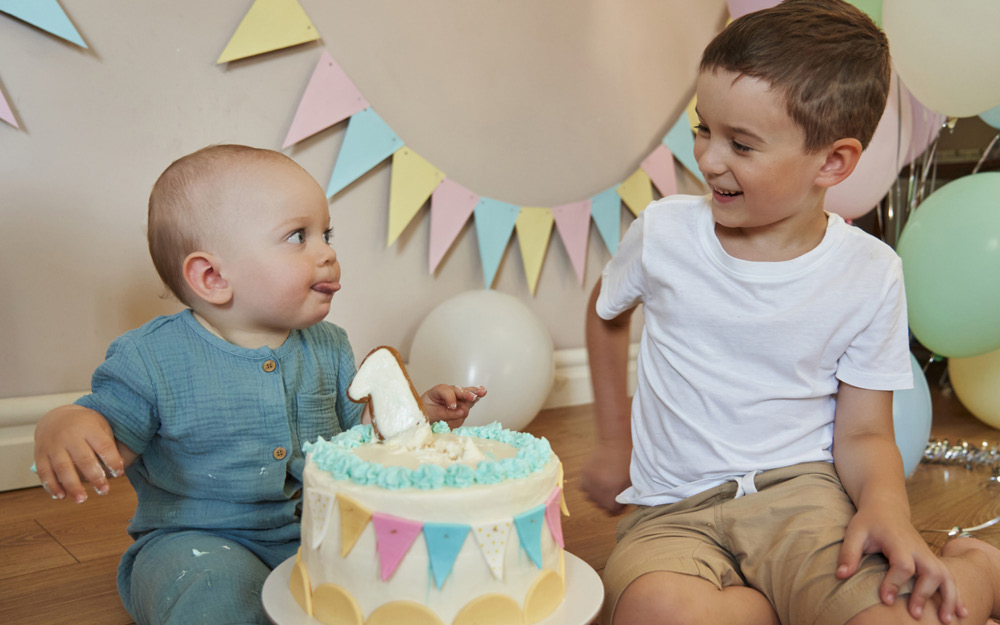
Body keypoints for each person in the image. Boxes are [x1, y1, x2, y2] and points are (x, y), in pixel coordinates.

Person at [581, 2, 1000, 625]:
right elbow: (605, 310)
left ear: (832, 162)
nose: (711, 159)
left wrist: (885, 511)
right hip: (673, 508)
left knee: (889, 617)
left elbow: (863, 432)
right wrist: (615, 439)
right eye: (704, 129)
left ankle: (977, 571)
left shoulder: (869, 272)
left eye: (741, 144)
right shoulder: (666, 232)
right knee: (656, 612)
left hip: (804, 500)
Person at [32, 144, 486, 625]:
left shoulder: (329, 345)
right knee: (214, 594)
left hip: (316, 532)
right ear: (211, 276)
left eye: (325, 234)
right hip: (196, 543)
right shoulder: (152, 358)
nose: (328, 252)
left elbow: (362, 435)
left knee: (403, 581)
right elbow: (108, 434)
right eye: (298, 236)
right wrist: (68, 425)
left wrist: (420, 415)